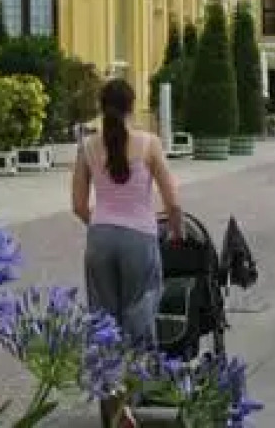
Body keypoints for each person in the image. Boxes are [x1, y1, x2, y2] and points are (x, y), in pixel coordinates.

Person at [72, 79, 183, 427]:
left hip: (100, 238)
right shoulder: (149, 143)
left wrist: (103, 224)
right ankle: (132, 399)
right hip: (140, 237)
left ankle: (111, 400)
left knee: (103, 323)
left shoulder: (88, 146)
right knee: (139, 317)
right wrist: (177, 231)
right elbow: (173, 200)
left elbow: (77, 205)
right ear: (132, 106)